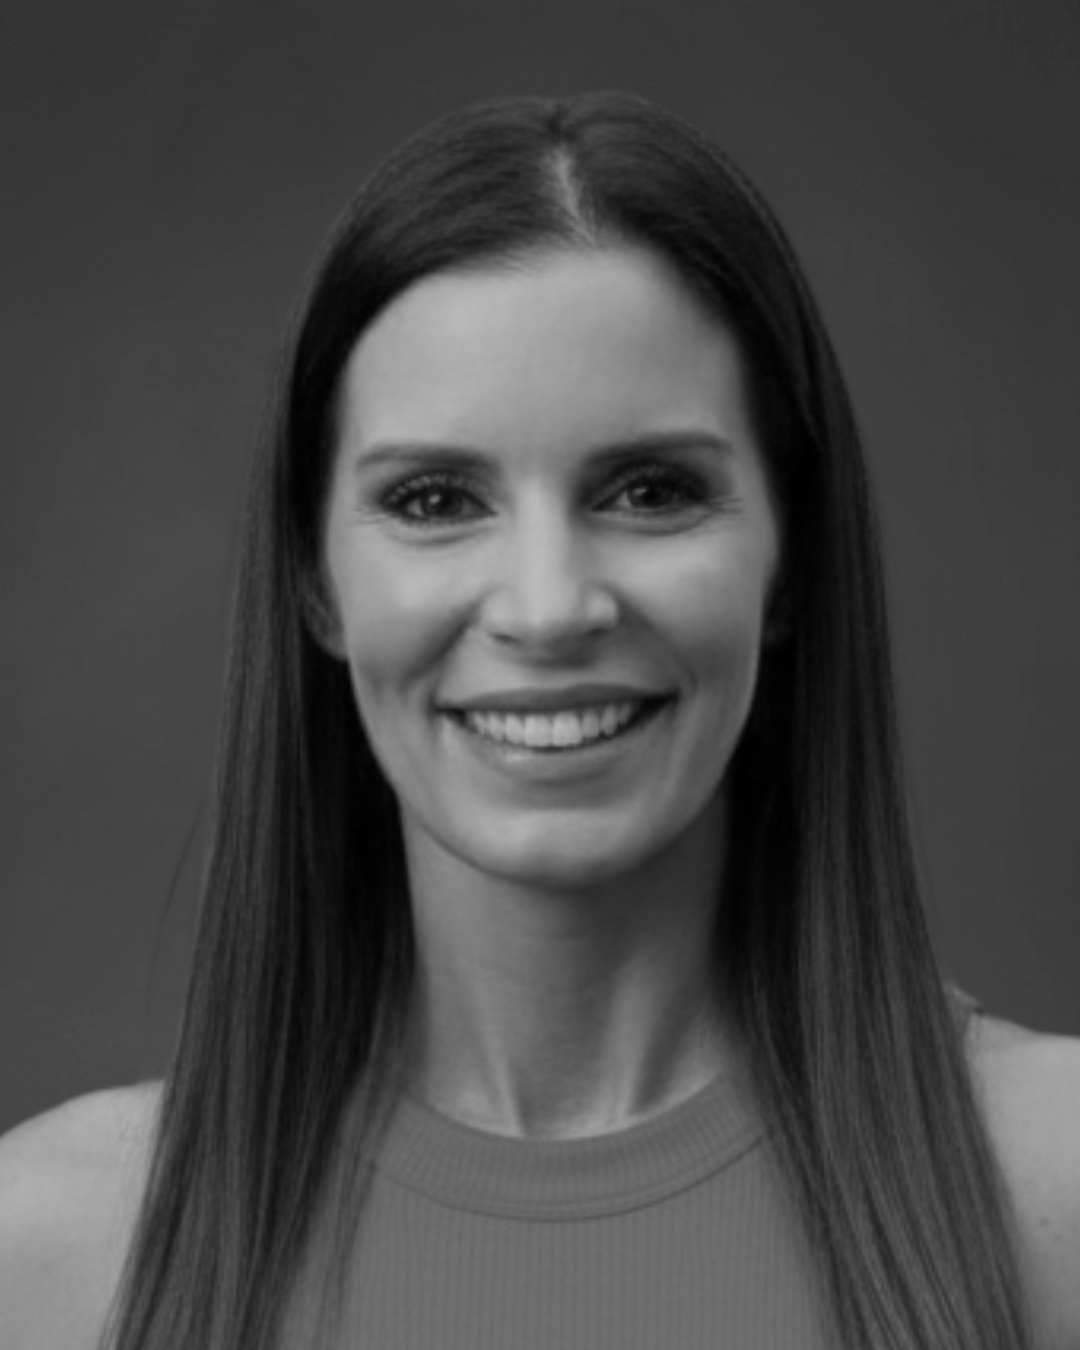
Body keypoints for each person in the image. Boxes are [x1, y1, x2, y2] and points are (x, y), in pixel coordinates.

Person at [0, 89, 1077, 1350]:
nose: (551, 606)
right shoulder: (54, 1259)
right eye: (436, 499)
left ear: (787, 562)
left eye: (651, 489)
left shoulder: (1053, 1190)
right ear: (314, 579)